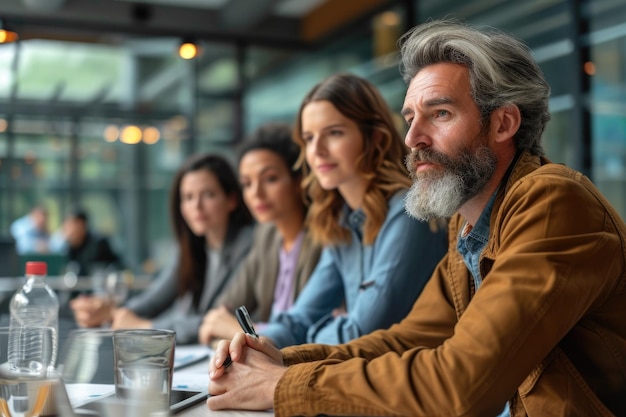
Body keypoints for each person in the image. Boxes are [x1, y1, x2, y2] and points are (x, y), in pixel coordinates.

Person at [206, 20, 626, 417]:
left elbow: (461, 385)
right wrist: (280, 360)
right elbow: (406, 341)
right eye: (410, 118)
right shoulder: (469, 228)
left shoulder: (551, 201)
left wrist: (282, 385)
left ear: (503, 123)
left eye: (439, 114)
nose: (412, 139)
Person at [233, 73, 447, 350]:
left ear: (375, 139)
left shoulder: (410, 213)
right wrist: (260, 342)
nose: (317, 150)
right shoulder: (341, 222)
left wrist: (305, 335)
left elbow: (363, 331)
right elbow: (299, 319)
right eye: (309, 138)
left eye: (334, 133)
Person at [70, 153, 255, 344]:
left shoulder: (249, 245)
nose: (196, 206)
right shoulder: (191, 249)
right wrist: (110, 312)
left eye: (208, 195)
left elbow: (217, 320)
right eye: (188, 197)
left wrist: (146, 328)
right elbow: (154, 299)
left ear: (232, 199)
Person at [198, 123, 322, 345]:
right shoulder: (266, 236)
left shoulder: (324, 238)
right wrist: (239, 334)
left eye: (270, 179)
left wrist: (238, 331)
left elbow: (309, 334)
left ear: (298, 181)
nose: (256, 193)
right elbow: (216, 317)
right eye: (247, 183)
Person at [49, 208, 123, 277]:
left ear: (82, 225)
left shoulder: (99, 244)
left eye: (71, 225)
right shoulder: (68, 249)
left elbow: (117, 267)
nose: (68, 230)